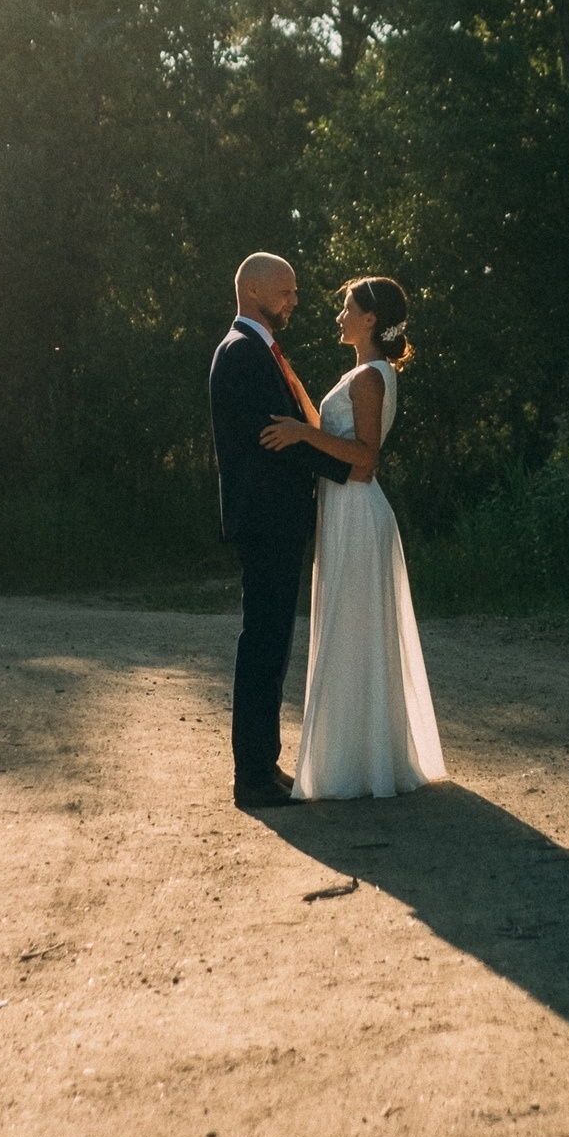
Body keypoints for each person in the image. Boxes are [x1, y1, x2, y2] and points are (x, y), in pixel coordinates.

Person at [258, 276, 446, 800]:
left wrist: (301, 434)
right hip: (345, 513)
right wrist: (300, 405)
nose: (339, 316)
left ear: (370, 319)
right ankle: (361, 760)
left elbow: (364, 460)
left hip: (359, 512)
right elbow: (339, 439)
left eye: (347, 308)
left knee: (353, 631)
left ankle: (358, 766)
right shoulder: (365, 373)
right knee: (351, 632)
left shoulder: (369, 377)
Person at [209, 253, 351, 809]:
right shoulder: (243, 353)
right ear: (256, 290)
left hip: (273, 519)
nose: (295, 300)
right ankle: (251, 776)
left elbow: (291, 436)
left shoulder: (255, 349)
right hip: (266, 520)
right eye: (287, 291)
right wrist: (353, 467)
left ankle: (263, 764)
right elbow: (280, 438)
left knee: (272, 642)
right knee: (264, 643)